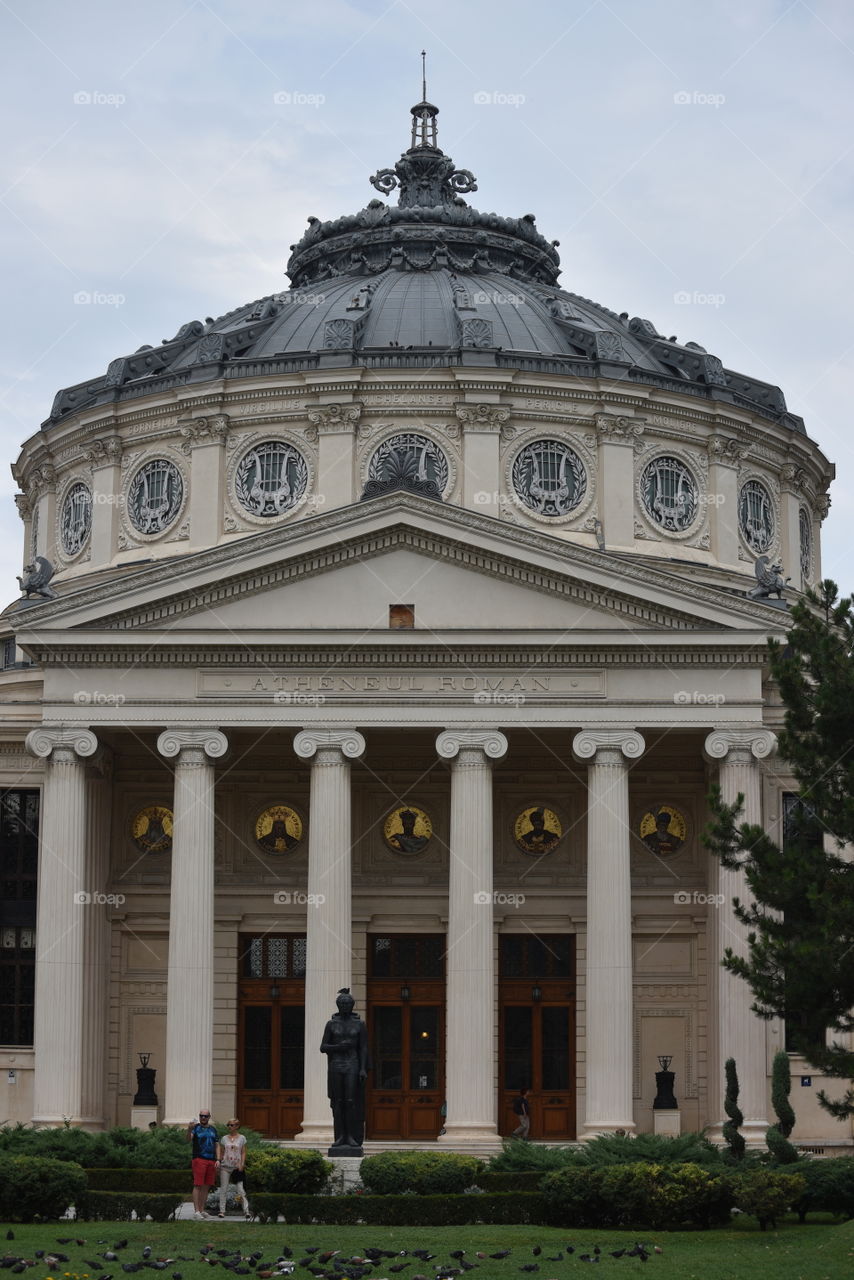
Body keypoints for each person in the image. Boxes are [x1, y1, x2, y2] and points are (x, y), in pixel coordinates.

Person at [320, 988, 369, 1150]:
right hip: (336, 1065)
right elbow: (323, 1047)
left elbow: (363, 1048)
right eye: (342, 1003)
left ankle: (351, 1136)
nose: (345, 1005)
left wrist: (363, 1069)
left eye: (348, 1003)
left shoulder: (359, 1024)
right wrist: (338, 1047)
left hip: (353, 1064)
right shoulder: (331, 1024)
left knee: (351, 1101)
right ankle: (340, 1136)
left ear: (352, 1005)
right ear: (338, 1005)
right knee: (338, 1102)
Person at [186, 1109, 219, 1219]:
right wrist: (189, 1129)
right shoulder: (195, 1128)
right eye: (201, 1116)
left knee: (206, 1186)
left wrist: (218, 1159)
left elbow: (217, 1145)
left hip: (211, 1160)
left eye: (205, 1116)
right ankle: (196, 1211)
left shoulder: (213, 1130)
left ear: (209, 1117)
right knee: (198, 1185)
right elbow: (187, 1140)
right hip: (199, 1159)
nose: (203, 1118)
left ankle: (202, 1209)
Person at [217, 1118, 251, 1220]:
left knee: (240, 1189)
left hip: (237, 1167)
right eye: (228, 1125)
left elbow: (243, 1152)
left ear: (237, 1126)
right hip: (225, 1166)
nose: (229, 1127)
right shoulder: (224, 1138)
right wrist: (219, 1161)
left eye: (231, 1125)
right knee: (223, 1189)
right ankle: (222, 1211)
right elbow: (222, 1151)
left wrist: (242, 1163)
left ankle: (246, 1211)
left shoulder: (242, 1138)